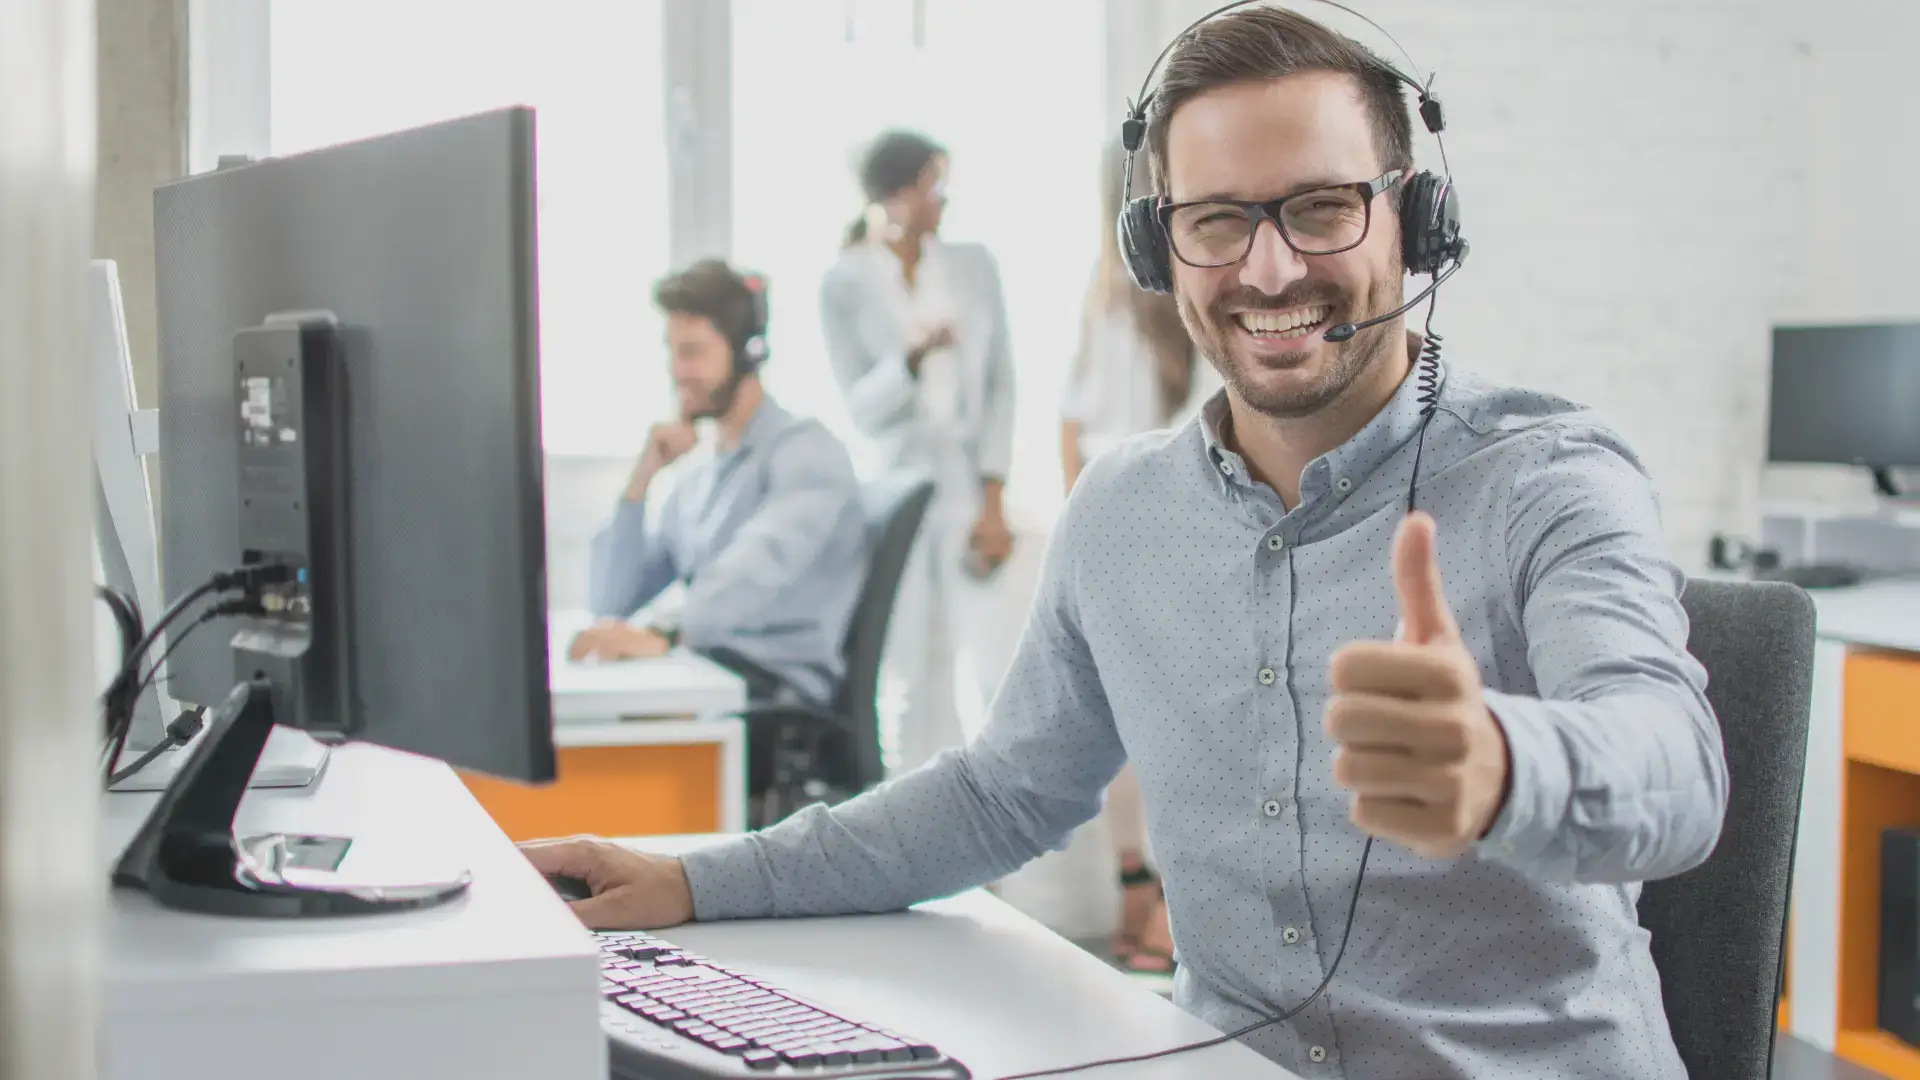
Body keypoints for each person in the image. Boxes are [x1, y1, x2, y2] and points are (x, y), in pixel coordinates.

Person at [523, 9, 1726, 1078]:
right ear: (1159, 250)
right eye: (1216, 221)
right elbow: (1002, 795)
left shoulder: (1546, 477)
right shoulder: (1123, 513)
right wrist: (694, 882)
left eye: (1321, 207)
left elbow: (1676, 764)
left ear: (1414, 217)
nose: (1269, 268)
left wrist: (1508, 763)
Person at [570, 259, 866, 729]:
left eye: (693, 352)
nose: (676, 370)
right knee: (585, 711)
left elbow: (761, 562)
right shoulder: (700, 476)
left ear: (748, 352)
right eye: (671, 351)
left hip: (777, 695)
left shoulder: (807, 453)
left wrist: (663, 631)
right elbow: (611, 600)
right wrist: (640, 480)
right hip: (711, 674)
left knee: (609, 728)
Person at [1060, 138, 1223, 976]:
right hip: (1161, 532)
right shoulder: (1135, 303)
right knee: (1157, 733)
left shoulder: (1121, 301)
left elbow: (1071, 427)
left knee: (1141, 731)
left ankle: (1146, 906)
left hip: (1148, 533)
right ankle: (1153, 907)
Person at [815, 129, 1017, 776]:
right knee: (905, 665)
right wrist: (910, 358)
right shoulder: (843, 283)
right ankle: (907, 815)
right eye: (934, 184)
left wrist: (994, 499)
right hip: (895, 489)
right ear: (898, 195)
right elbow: (860, 409)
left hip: (965, 488)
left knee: (984, 664)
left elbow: (1000, 386)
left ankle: (982, 817)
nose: (943, 200)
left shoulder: (974, 266)